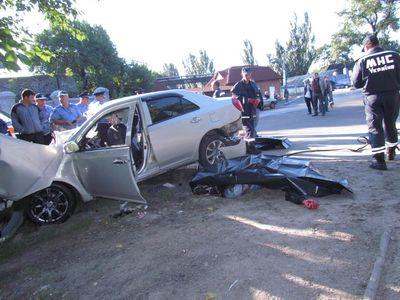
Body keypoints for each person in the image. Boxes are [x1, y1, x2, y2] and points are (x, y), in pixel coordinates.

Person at [352, 35, 400, 170]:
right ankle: (391, 152)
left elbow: (356, 83)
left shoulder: (362, 60)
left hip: (372, 97)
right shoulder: (394, 55)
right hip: (393, 95)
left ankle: (378, 161)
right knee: (390, 123)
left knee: (375, 126)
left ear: (366, 46)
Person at [231, 67, 261, 154]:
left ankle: (247, 147)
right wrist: (248, 100)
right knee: (249, 130)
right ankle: (250, 148)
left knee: (249, 129)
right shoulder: (238, 86)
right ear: (242, 75)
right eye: (246, 75)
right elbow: (235, 98)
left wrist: (257, 101)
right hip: (243, 111)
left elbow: (258, 94)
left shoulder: (253, 84)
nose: (248, 76)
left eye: (249, 74)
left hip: (252, 110)